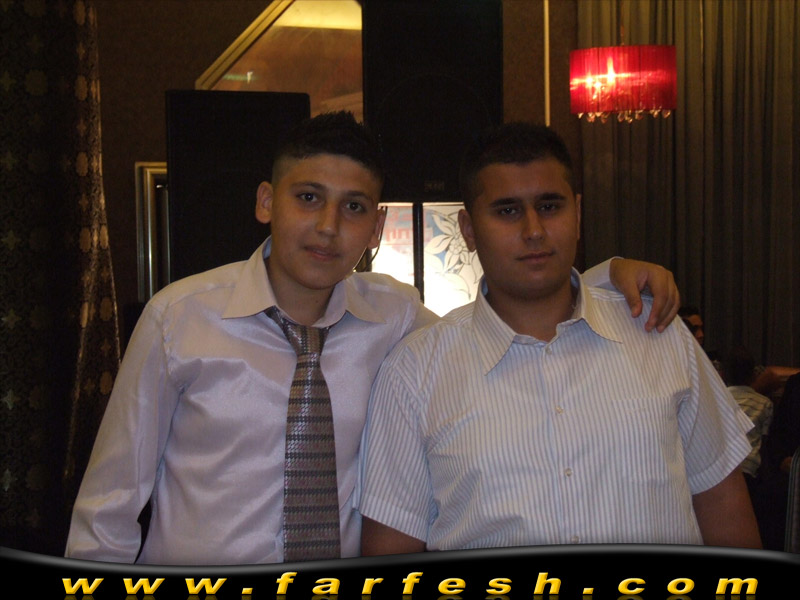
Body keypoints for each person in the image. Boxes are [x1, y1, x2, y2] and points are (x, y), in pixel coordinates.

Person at [65, 112, 681, 564]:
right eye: (309, 198)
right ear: (266, 202)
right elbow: (109, 506)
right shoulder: (179, 320)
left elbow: (505, 320)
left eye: (355, 207)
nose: (328, 227)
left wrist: (606, 278)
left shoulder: (395, 316)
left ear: (378, 226)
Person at [359, 122, 761, 555]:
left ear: (578, 214)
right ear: (469, 229)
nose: (534, 230)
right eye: (507, 211)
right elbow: (391, 547)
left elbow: (722, 505)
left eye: (549, 206)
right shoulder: (415, 371)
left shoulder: (658, 333)